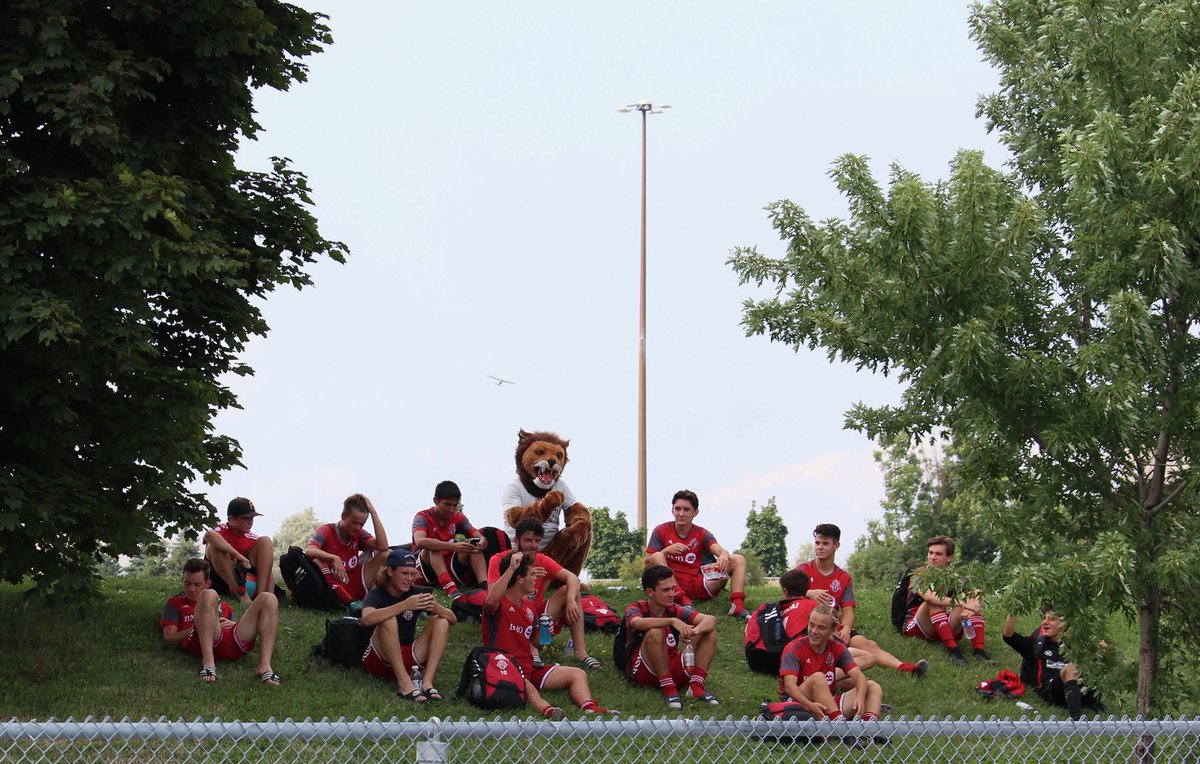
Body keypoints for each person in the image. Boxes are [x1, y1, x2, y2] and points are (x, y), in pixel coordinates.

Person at [483, 550, 613, 718]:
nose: (536, 579)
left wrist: (546, 634)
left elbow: (535, 642)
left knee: (577, 674)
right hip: (504, 668)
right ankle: (547, 710)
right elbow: (491, 600)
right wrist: (511, 569)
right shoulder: (499, 602)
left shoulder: (529, 607)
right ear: (520, 579)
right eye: (532, 574)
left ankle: (589, 707)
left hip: (529, 668)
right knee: (525, 682)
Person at [797, 523, 926, 676]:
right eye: (817, 543)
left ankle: (907, 668)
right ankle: (831, 673)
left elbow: (848, 610)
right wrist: (809, 592)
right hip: (812, 626)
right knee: (847, 649)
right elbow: (788, 595)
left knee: (868, 644)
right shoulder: (804, 570)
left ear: (836, 546)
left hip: (834, 626)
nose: (819, 547)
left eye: (825, 543)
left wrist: (846, 628)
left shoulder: (843, 577)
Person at [488, 518, 601, 670]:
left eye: (537, 541)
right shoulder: (499, 560)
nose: (533, 545)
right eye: (528, 540)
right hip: (509, 618)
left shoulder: (541, 559)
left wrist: (570, 599)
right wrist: (522, 575)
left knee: (572, 592)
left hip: (535, 618)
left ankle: (580, 651)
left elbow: (572, 578)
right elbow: (492, 597)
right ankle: (530, 651)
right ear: (517, 540)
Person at [778, 604, 885, 750]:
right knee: (818, 678)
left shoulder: (836, 647)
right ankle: (842, 730)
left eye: (821, 627)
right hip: (797, 706)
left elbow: (858, 676)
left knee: (872, 686)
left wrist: (860, 696)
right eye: (811, 625)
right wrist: (811, 706)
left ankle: (868, 730)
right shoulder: (794, 648)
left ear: (832, 630)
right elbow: (790, 687)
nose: (814, 631)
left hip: (825, 706)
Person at [160, 558, 281, 684]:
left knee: (269, 598)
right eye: (187, 584)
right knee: (208, 595)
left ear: (207, 582)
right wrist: (201, 626)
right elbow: (169, 637)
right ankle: (208, 664)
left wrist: (233, 623)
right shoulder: (175, 603)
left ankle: (264, 666)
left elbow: (238, 626)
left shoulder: (223, 605)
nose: (191, 589)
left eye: (197, 585)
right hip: (203, 642)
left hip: (232, 641)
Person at [620, 564, 721, 709]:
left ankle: (696, 687)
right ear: (650, 591)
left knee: (709, 631)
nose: (672, 594)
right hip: (643, 671)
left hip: (671, 666)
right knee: (656, 631)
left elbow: (711, 620)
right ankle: (669, 689)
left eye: (673, 589)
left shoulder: (675, 609)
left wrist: (693, 632)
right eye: (666, 590)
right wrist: (672, 621)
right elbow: (637, 623)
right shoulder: (637, 608)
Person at [360, 549, 456, 702]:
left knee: (441, 621)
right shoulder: (377, 594)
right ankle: (405, 685)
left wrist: (436, 607)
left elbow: (452, 619)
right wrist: (404, 605)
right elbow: (367, 619)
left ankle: (427, 682)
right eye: (404, 573)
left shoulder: (415, 593)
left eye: (412, 574)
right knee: (389, 620)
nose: (409, 579)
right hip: (379, 657)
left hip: (407, 654)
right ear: (390, 571)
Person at [645, 489, 750, 618]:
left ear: (695, 512)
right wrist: (666, 551)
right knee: (657, 555)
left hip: (697, 584)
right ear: (672, 510)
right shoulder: (661, 530)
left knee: (738, 559)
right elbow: (646, 566)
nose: (681, 514)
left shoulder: (701, 533)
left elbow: (721, 550)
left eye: (686, 509)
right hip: (669, 587)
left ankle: (737, 606)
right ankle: (682, 599)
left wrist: (723, 556)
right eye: (677, 509)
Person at [900, 535, 991, 666]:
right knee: (934, 602)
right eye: (930, 553)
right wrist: (965, 604)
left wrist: (973, 606)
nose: (932, 557)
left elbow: (977, 592)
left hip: (940, 623)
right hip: (917, 625)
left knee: (970, 601)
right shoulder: (919, 573)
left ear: (949, 558)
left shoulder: (953, 576)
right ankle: (954, 651)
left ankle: (979, 651)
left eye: (938, 554)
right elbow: (929, 597)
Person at [1003, 609, 1105, 720]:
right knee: (1071, 668)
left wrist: (1103, 649)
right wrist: (1015, 606)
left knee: (1095, 658)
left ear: (1064, 624)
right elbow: (1009, 636)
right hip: (1051, 691)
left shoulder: (1076, 645)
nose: (1044, 622)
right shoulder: (1035, 645)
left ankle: (1093, 702)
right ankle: (1076, 720)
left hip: (1076, 688)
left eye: (1051, 619)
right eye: (1044, 618)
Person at [304, 493, 390, 607]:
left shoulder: (358, 533)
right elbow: (309, 551)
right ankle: (349, 601)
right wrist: (333, 558)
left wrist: (373, 512)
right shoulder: (327, 530)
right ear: (343, 516)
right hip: (333, 585)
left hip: (354, 582)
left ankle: (390, 599)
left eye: (362, 524)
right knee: (317, 560)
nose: (358, 527)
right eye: (354, 522)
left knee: (386, 555)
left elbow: (383, 546)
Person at [412, 480, 487, 600]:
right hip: (424, 570)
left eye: (455, 505)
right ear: (436, 500)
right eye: (447, 505)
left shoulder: (457, 517)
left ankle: (485, 586)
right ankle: (451, 589)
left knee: (473, 544)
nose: (451, 509)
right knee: (433, 546)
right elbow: (420, 541)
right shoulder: (422, 517)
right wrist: (452, 546)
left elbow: (478, 536)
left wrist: (483, 541)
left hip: (449, 566)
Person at [203, 497, 276, 604]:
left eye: (252, 518)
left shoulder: (252, 537)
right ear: (232, 519)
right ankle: (243, 596)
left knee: (266, 541)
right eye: (246, 518)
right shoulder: (222, 529)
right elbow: (209, 535)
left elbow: (268, 569)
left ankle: (263, 597)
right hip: (218, 579)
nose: (250, 522)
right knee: (214, 547)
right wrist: (237, 555)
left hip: (244, 577)